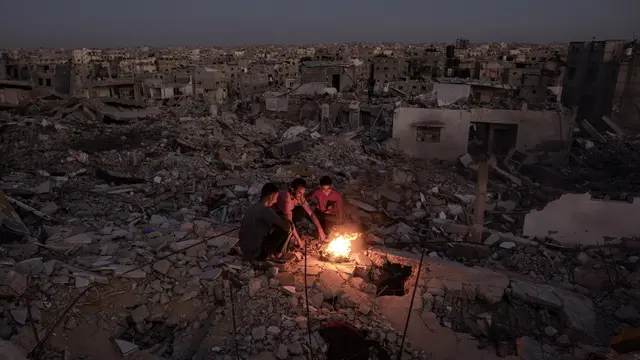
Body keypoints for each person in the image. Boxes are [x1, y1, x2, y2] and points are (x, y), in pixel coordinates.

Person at [239, 183, 292, 261]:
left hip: (246, 251)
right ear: (271, 196)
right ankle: (278, 254)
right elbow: (286, 227)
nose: (275, 201)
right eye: (276, 197)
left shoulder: (253, 207)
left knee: (276, 226)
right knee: (288, 227)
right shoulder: (266, 210)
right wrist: (286, 216)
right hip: (256, 254)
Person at [274, 178, 327, 246]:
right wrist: (298, 239)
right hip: (275, 214)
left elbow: (311, 213)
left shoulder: (300, 197)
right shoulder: (286, 198)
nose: (301, 196)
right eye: (299, 193)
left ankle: (293, 233)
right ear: (293, 190)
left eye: (303, 193)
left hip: (287, 212)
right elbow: (290, 222)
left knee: (301, 211)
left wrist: (320, 230)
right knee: (287, 228)